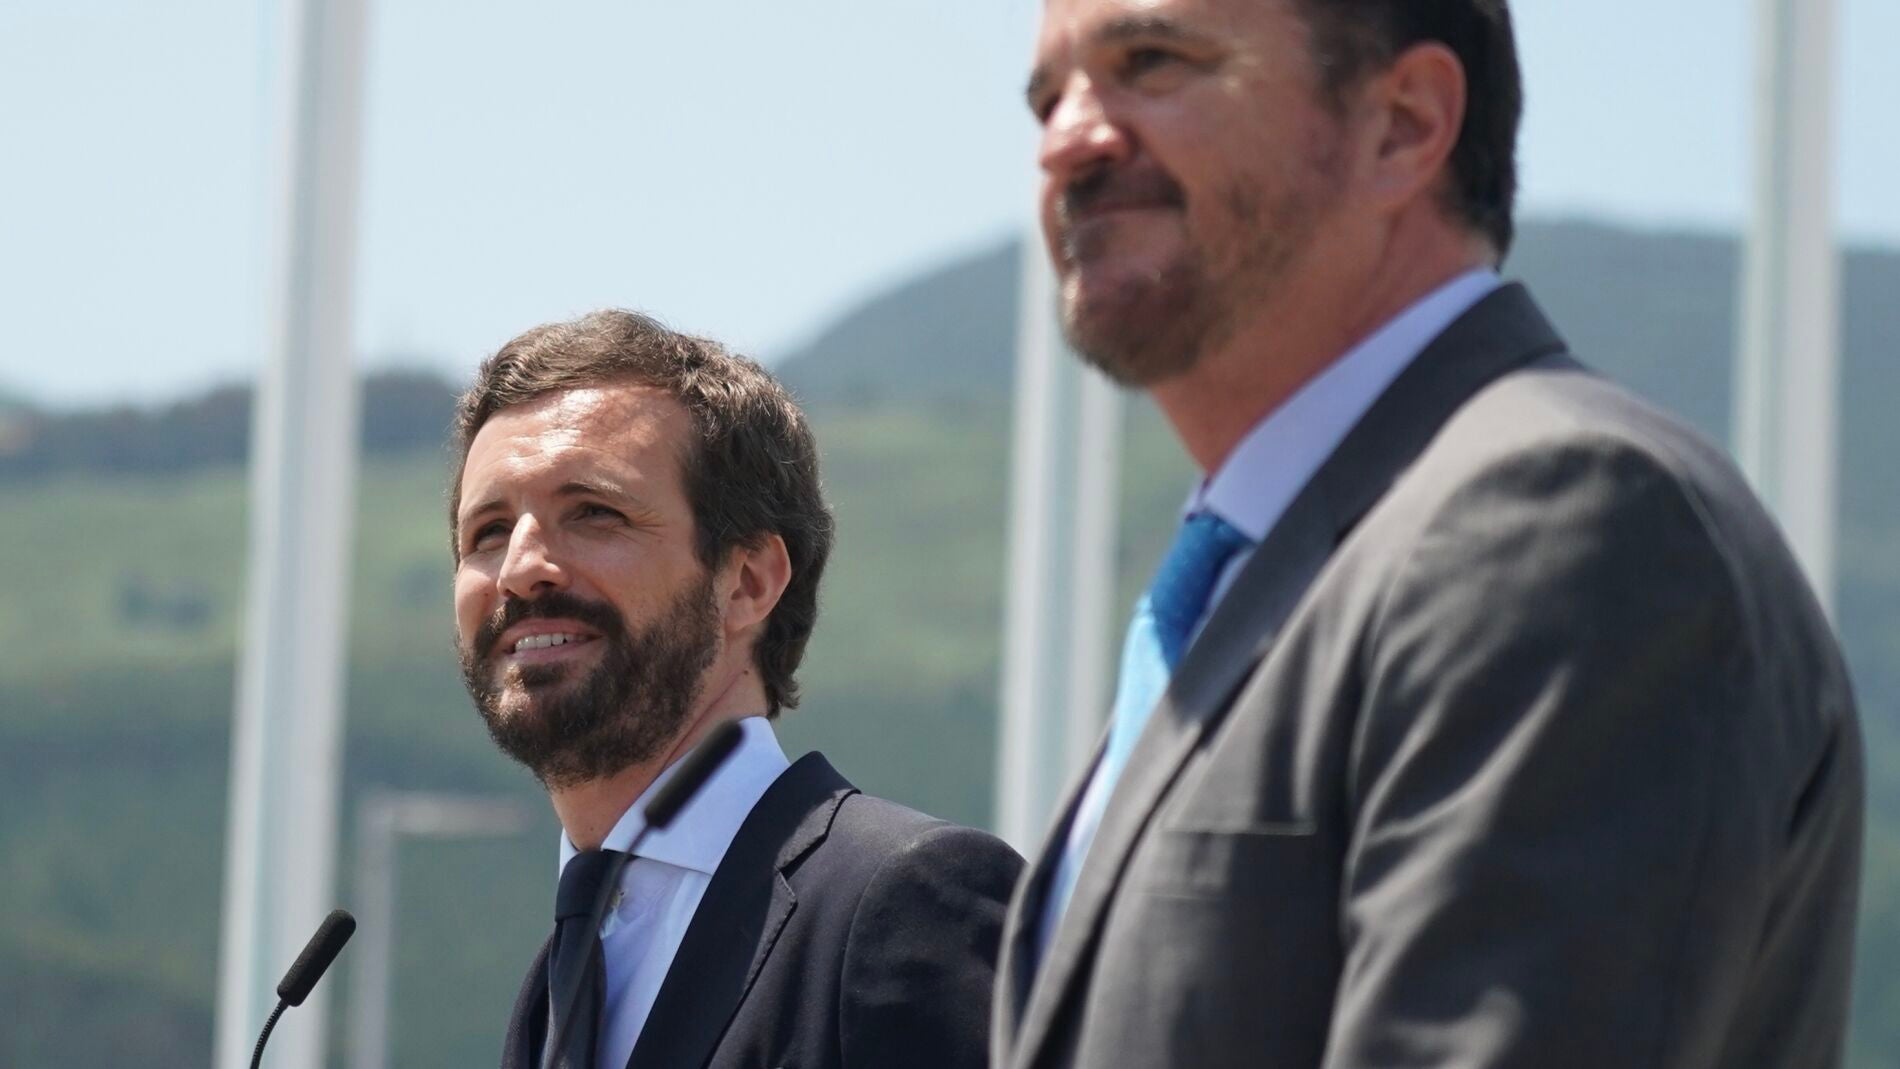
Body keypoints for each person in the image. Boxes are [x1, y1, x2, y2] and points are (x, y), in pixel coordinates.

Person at [995, 2, 1864, 1067]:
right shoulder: (1245, 581)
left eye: (1151, 61)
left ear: (1402, 125)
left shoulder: (1564, 526)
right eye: (1047, 98)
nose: (1067, 140)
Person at [449, 309, 1023, 1069]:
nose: (522, 568)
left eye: (593, 513)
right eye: (487, 532)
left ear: (748, 582)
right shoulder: (553, 989)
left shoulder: (906, 904)